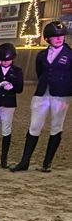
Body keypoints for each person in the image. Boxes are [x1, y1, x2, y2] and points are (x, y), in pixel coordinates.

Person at [10, 21, 72, 173]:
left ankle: (47, 162)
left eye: (61, 36)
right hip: (42, 94)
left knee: (56, 127)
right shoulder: (41, 55)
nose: (59, 38)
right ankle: (24, 161)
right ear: (47, 38)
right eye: (55, 36)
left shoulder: (70, 54)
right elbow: (40, 73)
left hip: (61, 96)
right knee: (34, 126)